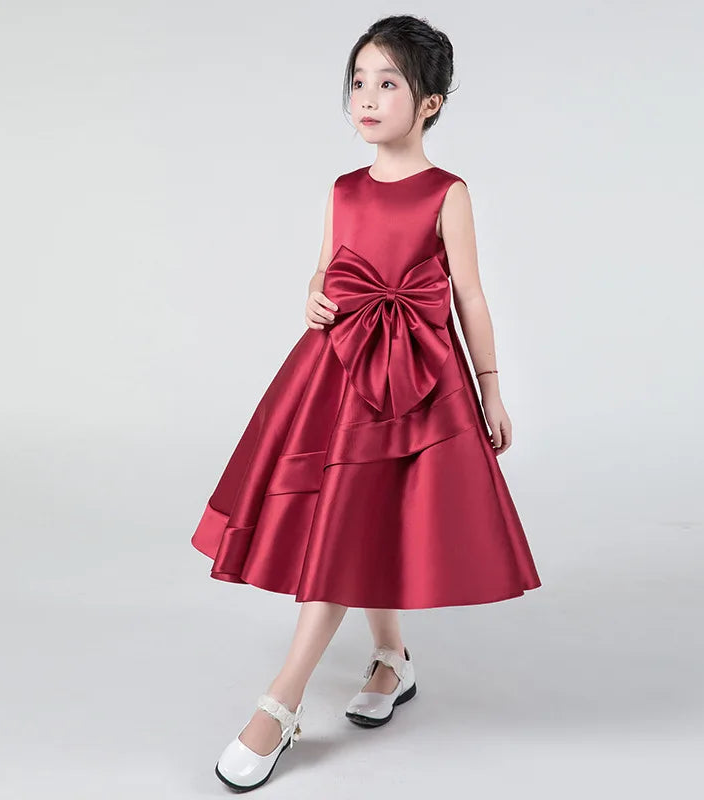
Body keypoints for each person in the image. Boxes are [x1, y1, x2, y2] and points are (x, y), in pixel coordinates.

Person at [191, 13, 542, 792]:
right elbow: (327, 269)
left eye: (389, 84)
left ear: (430, 104)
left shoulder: (447, 192)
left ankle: (281, 703)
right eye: (358, 82)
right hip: (339, 373)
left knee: (360, 518)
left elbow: (469, 296)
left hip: (417, 383)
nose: (368, 98)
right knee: (355, 517)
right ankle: (391, 658)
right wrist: (313, 295)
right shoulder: (343, 188)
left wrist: (491, 389)